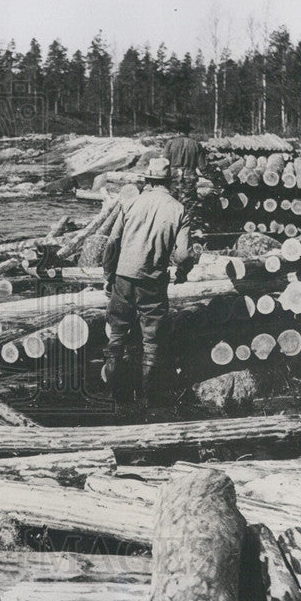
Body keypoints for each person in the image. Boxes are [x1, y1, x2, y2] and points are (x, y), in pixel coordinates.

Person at [102, 156, 193, 416]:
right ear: (169, 182)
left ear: (147, 180)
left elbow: (112, 243)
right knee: (152, 341)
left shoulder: (131, 202)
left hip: (123, 277)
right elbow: (184, 255)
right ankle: (148, 401)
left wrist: (109, 274)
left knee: (117, 334)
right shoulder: (178, 209)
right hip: (152, 281)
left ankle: (117, 397)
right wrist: (183, 271)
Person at [163, 124, 206, 212]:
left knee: (171, 204)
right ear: (188, 132)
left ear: (178, 131)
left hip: (173, 177)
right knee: (189, 206)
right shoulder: (196, 144)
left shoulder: (170, 143)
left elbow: (164, 162)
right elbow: (202, 166)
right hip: (189, 178)